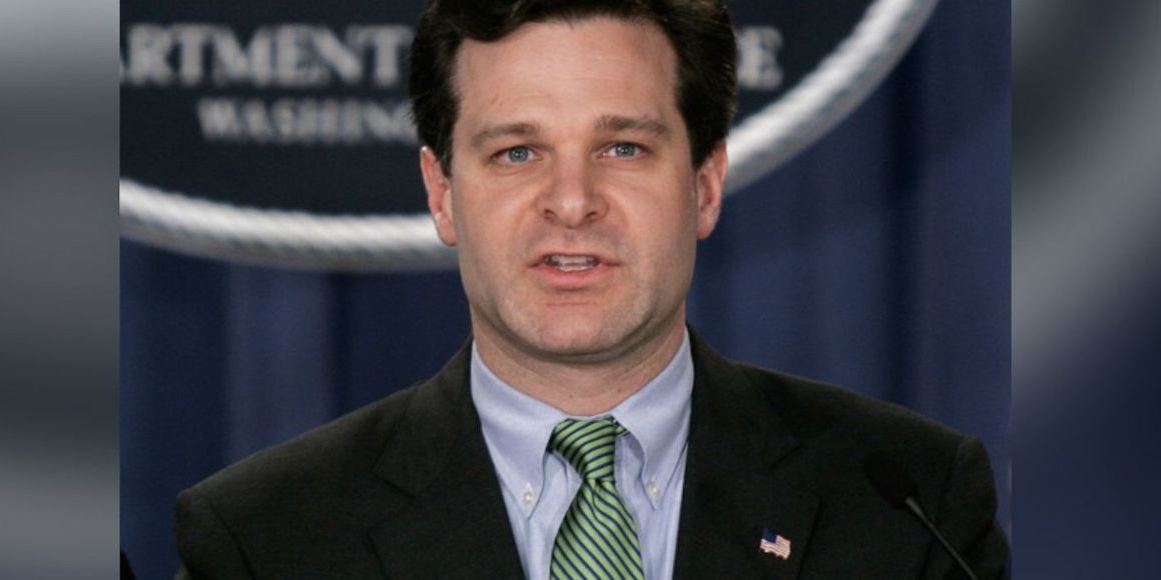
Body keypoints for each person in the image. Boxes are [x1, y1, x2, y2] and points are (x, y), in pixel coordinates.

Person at [174, 1, 1009, 578]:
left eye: (622, 149)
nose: (571, 202)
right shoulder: (267, 538)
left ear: (707, 184)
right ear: (440, 193)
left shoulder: (911, 507)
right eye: (516, 153)